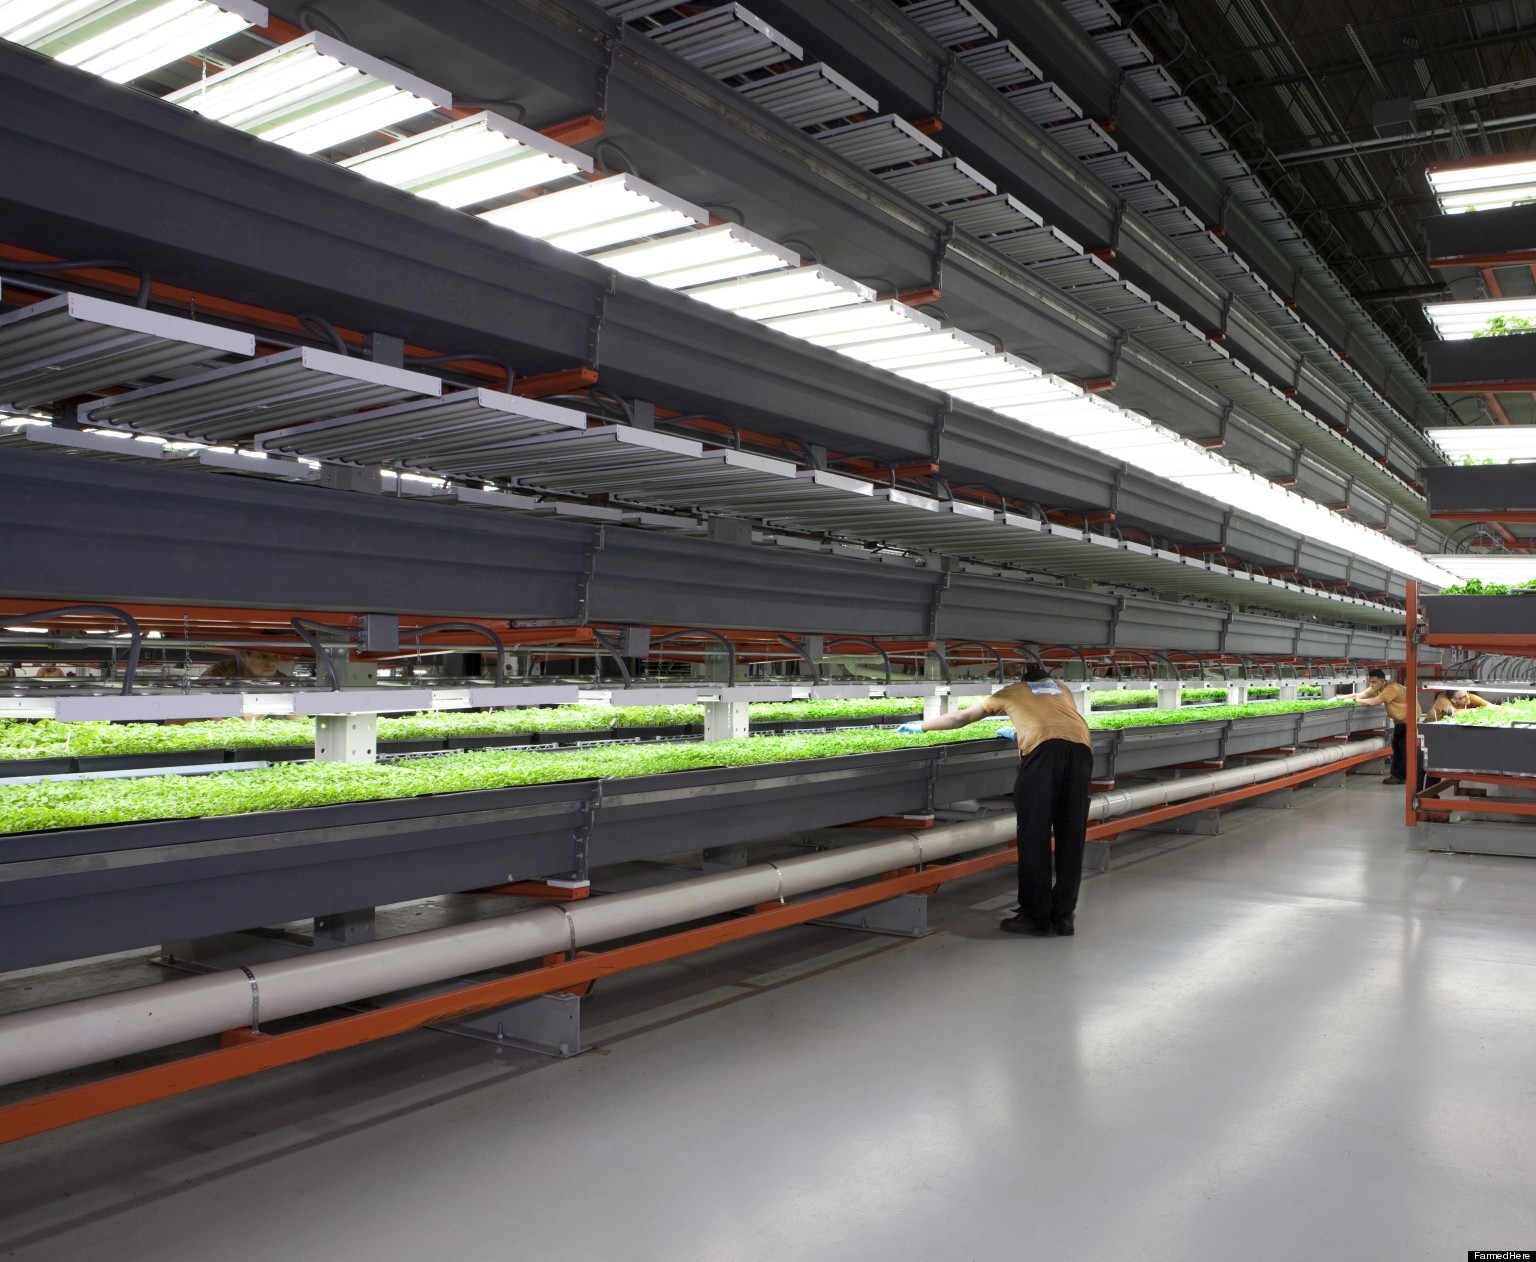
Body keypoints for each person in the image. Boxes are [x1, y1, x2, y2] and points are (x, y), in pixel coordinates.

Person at [897, 665, 1093, 937]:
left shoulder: (1012, 692)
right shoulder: (1062, 689)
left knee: (1034, 835)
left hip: (1044, 756)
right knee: (1071, 835)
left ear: (1022, 681)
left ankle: (1035, 917)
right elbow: (1055, 722)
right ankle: (1063, 917)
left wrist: (921, 725)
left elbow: (961, 718)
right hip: (1082, 753)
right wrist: (1018, 734)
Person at [1350, 669, 1411, 784]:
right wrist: (1338, 699)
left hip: (1408, 721)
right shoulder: (1378, 688)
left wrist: (1356, 700)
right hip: (1400, 722)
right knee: (1397, 748)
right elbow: (1360, 695)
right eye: (1370, 682)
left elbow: (1374, 702)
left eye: (1374, 682)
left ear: (1382, 681)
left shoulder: (1391, 688)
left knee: (1403, 750)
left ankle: (1401, 777)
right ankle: (1398, 775)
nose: (1371, 685)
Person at [1423, 689, 1495, 722]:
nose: (1468, 697)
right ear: (1453, 700)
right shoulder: (1442, 698)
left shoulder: (1468, 697)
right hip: (1431, 726)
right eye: (1463, 696)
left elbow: (1492, 707)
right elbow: (1455, 713)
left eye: (1467, 693)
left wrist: (1505, 709)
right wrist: (1477, 710)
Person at [200, 650, 282, 679]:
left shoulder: (281, 679)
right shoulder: (219, 674)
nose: (272, 662)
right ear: (244, 655)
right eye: (262, 657)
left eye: (275, 656)